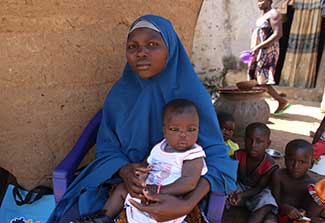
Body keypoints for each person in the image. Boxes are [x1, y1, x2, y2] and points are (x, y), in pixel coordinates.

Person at [48, 15, 237, 223]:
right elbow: (107, 147)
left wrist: (187, 202)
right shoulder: (120, 94)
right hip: (123, 187)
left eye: (152, 44)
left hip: (177, 193)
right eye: (132, 46)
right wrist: (124, 169)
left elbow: (217, 158)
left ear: (170, 49)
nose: (141, 53)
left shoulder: (191, 95)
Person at [77, 99, 208, 223]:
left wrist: (159, 191)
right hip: (147, 190)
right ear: (164, 131)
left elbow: (188, 183)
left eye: (191, 129)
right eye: (174, 129)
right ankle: (104, 217)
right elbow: (147, 164)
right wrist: (141, 174)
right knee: (122, 189)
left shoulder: (193, 155)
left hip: (169, 198)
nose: (183, 135)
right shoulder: (160, 148)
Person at [228, 122, 278, 223]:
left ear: (268, 144)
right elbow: (232, 176)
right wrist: (232, 191)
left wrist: (242, 195)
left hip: (257, 193)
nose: (253, 145)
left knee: (267, 199)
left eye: (259, 141)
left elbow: (259, 188)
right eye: (249, 140)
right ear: (244, 139)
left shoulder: (270, 165)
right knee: (223, 190)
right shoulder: (238, 155)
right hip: (240, 188)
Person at [248, 0, 290, 115]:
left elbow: (278, 34)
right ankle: (277, 97)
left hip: (268, 51)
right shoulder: (262, 16)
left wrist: (259, 47)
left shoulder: (274, 14)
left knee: (262, 81)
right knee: (255, 79)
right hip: (259, 51)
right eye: (258, 0)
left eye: (262, 0)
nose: (259, 2)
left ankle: (281, 101)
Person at [271, 139, 324, 223]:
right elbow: (274, 198)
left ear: (311, 164)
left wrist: (301, 213)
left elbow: (309, 210)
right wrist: (284, 207)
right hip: (275, 212)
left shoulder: (311, 185)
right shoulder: (278, 175)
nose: (295, 166)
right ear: (285, 159)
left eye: (302, 162)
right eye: (291, 160)